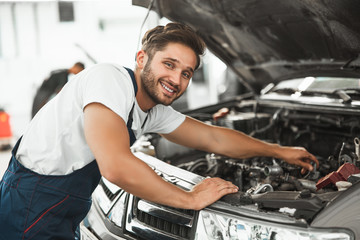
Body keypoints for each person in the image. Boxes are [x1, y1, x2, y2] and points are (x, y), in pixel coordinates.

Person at [0, 22, 318, 239]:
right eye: (169, 64)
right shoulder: (108, 80)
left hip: (63, 208)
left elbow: (212, 137)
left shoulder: (151, 111)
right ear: (142, 59)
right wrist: (189, 198)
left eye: (186, 73)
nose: (177, 79)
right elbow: (116, 165)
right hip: (31, 204)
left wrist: (278, 151)